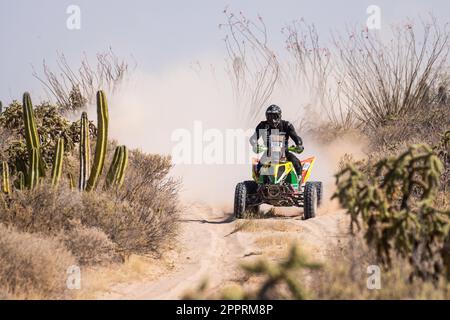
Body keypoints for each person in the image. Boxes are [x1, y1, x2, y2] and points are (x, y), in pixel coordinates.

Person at [249, 105, 304, 176]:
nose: (272, 119)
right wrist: (255, 145)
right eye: (270, 116)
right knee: (259, 169)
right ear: (266, 116)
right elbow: (253, 138)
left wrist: (299, 144)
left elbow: (295, 137)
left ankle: (299, 180)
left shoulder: (286, 125)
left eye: (274, 116)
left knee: (296, 163)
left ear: (279, 116)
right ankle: (260, 185)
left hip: (284, 153)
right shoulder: (262, 125)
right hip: (268, 153)